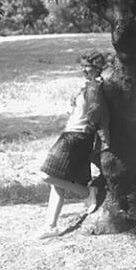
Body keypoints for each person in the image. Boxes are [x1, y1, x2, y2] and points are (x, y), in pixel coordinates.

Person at [37, 51, 108, 238]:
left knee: (46, 175)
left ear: (98, 68)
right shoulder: (87, 86)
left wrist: (89, 129)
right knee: (57, 184)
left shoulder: (96, 87)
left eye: (89, 67)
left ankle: (86, 192)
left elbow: (95, 114)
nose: (84, 70)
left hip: (77, 137)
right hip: (69, 134)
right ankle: (51, 226)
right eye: (83, 66)